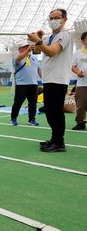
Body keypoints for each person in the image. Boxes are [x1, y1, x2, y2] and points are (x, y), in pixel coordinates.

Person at [28, 8, 73, 152]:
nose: (53, 20)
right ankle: (55, 139)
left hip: (58, 79)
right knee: (50, 110)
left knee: (56, 111)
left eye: (57, 17)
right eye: (51, 18)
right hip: (49, 79)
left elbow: (52, 52)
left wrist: (39, 40)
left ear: (64, 19)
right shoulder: (52, 37)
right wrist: (38, 39)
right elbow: (37, 50)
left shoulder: (64, 35)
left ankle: (59, 142)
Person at [10, 42, 42, 126]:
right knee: (18, 102)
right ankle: (14, 118)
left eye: (28, 47)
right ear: (19, 49)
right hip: (21, 84)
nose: (27, 48)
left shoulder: (34, 59)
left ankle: (32, 119)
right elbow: (17, 60)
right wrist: (27, 51)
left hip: (33, 84)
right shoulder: (17, 58)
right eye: (24, 47)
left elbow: (39, 70)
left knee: (33, 103)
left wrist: (45, 79)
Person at [71, 31, 87, 130]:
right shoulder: (77, 54)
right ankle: (80, 122)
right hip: (82, 84)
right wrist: (78, 73)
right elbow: (73, 66)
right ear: (82, 41)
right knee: (81, 104)